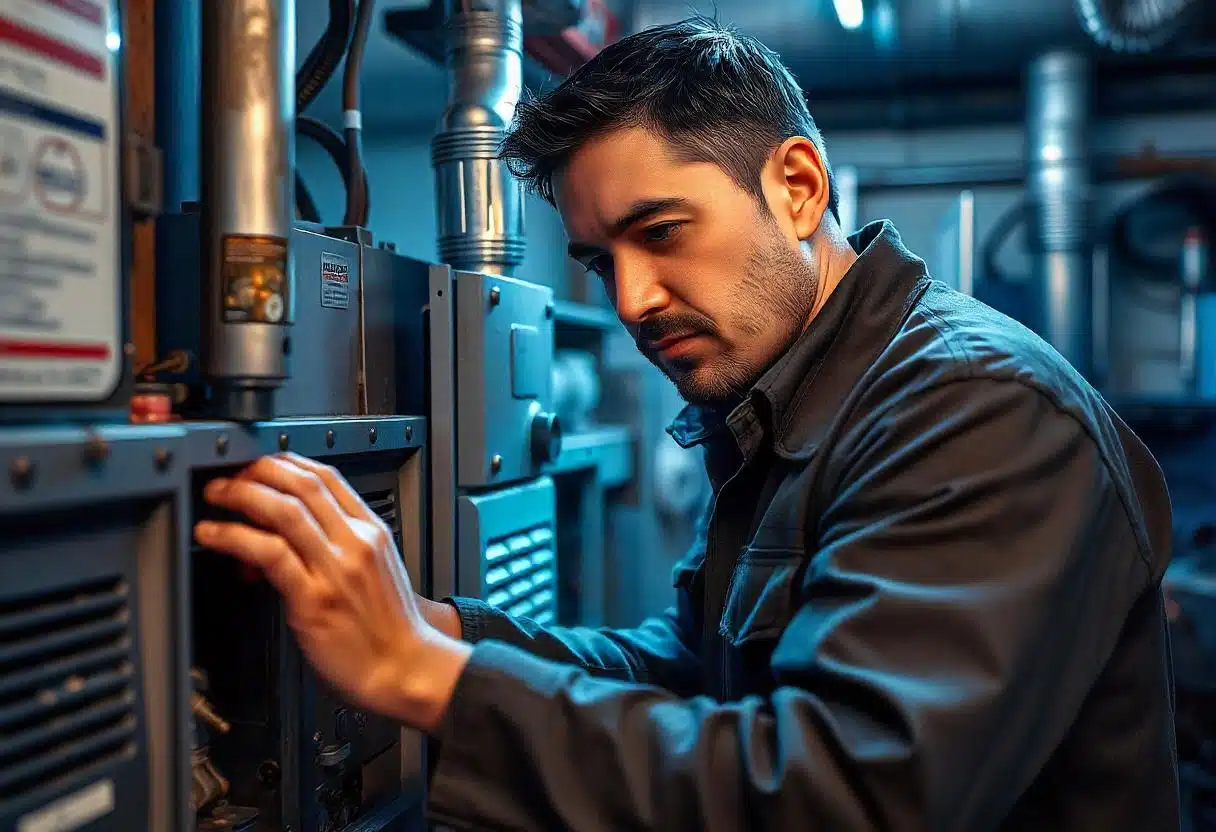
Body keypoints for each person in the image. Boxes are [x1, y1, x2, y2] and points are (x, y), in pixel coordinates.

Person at [194, 16, 1180, 831]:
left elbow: (847, 797)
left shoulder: (972, 410)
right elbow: (690, 667)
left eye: (661, 234)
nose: (631, 299)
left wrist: (429, 679)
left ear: (796, 187)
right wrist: (440, 631)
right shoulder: (795, 399)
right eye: (598, 261)